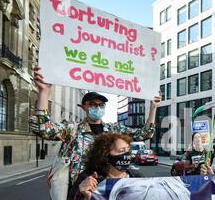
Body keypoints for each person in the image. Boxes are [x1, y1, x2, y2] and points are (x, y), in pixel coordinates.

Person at [33, 67, 161, 186]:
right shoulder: (72, 129)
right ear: (84, 107)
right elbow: (45, 129)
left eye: (101, 105)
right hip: (79, 191)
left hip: (107, 188)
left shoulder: (114, 130)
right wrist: (44, 92)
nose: (97, 108)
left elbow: (146, 134)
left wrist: (153, 108)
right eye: (93, 104)